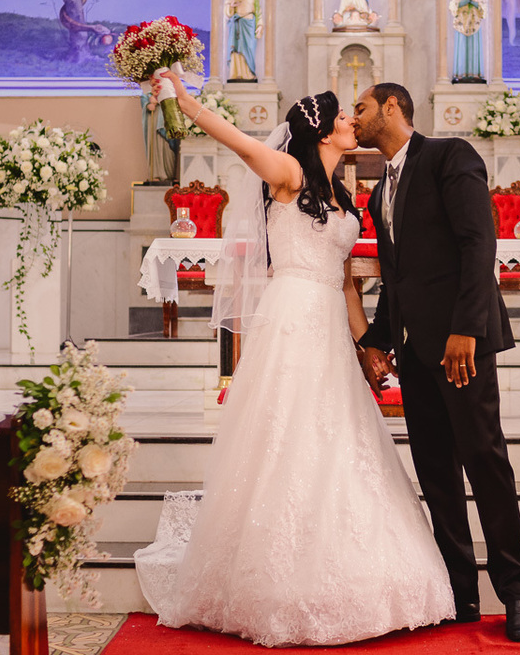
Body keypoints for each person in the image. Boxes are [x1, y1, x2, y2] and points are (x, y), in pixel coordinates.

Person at [133, 74, 454, 647]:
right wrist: (188, 104)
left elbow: (348, 286)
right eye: (346, 116)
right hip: (292, 318)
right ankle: (273, 581)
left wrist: (367, 347)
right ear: (323, 127)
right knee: (290, 435)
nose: (355, 122)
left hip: (330, 317)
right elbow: (238, 141)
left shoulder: (346, 195)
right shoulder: (290, 174)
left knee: (339, 436)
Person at [353, 83, 520, 644]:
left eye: (361, 108)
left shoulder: (449, 156)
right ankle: (460, 595)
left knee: (485, 462)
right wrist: (377, 342)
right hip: (415, 353)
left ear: (391, 107)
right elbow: (397, 280)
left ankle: (516, 593)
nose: (354, 118)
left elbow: (479, 244)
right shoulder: (379, 188)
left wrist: (466, 330)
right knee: (436, 474)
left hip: (463, 345)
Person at [449, 0, 487, 82]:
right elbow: (452, 6)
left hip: (474, 24)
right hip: (461, 24)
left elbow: (484, 9)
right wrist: (461, 0)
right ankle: (460, 75)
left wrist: (477, 1)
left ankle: (475, 74)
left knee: (474, 49)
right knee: (462, 48)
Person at [224, 0, 262, 81]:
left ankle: (249, 74)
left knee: (249, 48)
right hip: (236, 24)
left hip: (248, 23)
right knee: (235, 49)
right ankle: (235, 74)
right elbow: (227, 10)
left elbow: (258, 11)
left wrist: (260, 25)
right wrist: (232, 5)